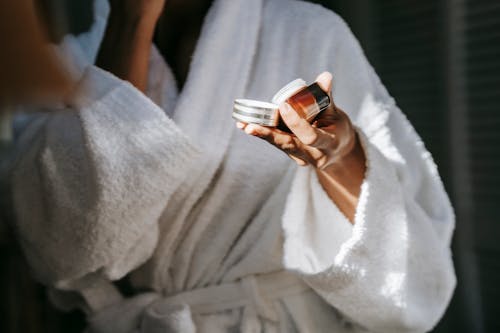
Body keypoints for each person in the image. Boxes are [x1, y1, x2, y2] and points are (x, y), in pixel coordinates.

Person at [11, 0, 456, 332]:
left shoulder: (308, 30)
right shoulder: (61, 67)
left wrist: (339, 156)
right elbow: (63, 251)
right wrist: (131, 22)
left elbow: (408, 245)